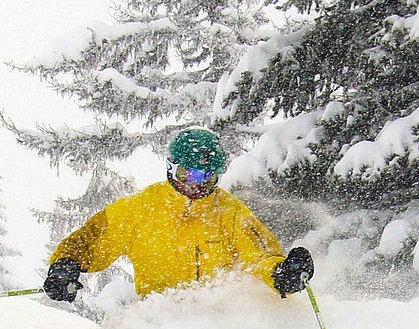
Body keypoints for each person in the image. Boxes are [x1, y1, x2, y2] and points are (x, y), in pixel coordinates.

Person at [42, 128, 314, 303]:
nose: (198, 185)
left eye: (208, 177)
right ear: (171, 169)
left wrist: (282, 273)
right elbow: (90, 241)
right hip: (161, 327)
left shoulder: (230, 213)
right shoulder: (139, 209)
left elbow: (261, 256)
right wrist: (66, 265)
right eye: (190, 174)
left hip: (218, 326)